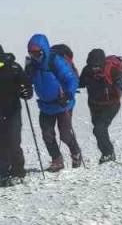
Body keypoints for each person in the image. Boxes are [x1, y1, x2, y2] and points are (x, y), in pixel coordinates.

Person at [25, 33, 82, 171]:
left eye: (37, 53)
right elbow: (27, 81)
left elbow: (71, 79)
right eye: (31, 53)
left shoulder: (55, 61)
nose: (34, 56)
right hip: (45, 105)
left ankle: (76, 152)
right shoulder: (31, 65)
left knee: (65, 134)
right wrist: (26, 89)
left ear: (43, 50)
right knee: (47, 135)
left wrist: (68, 94)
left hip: (63, 104)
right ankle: (57, 160)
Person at [0, 44, 32, 187]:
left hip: (13, 111)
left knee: (13, 142)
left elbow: (27, 86)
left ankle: (18, 172)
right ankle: (5, 173)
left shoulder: (14, 68)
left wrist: (26, 92)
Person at [79, 48, 122, 163]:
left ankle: (108, 154)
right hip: (94, 105)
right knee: (98, 130)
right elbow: (80, 83)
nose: (94, 69)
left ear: (102, 64)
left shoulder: (113, 71)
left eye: (97, 66)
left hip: (111, 104)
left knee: (99, 129)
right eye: (92, 66)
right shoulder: (87, 70)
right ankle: (107, 153)